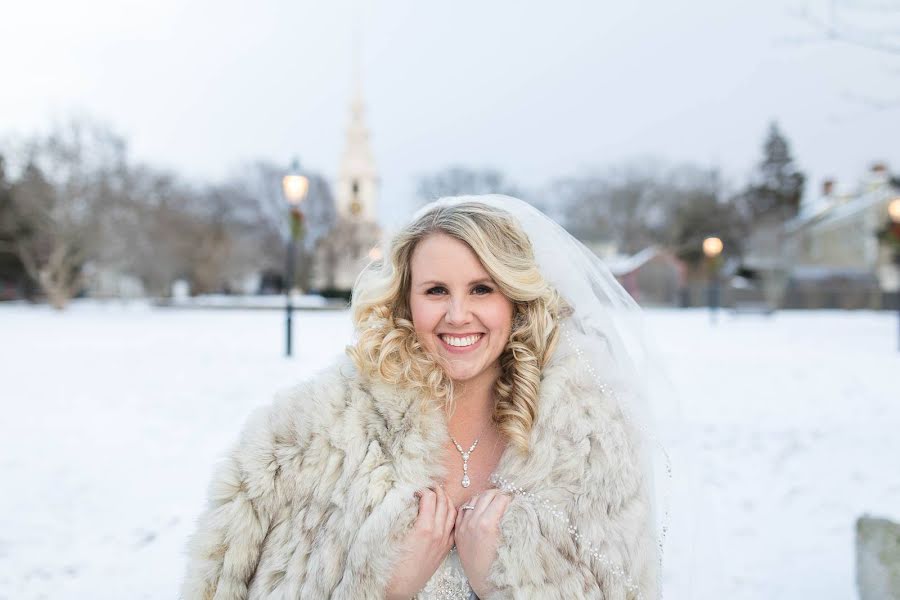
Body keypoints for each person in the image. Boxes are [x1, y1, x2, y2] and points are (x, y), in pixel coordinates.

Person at [180, 195, 667, 599]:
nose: (458, 315)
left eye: (482, 289)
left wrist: (503, 585)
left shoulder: (592, 443)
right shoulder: (303, 439)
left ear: (515, 300)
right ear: (405, 302)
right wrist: (383, 590)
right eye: (436, 291)